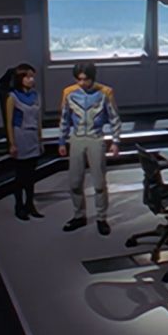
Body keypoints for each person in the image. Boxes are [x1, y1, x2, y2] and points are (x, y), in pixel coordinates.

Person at [58, 62, 121, 235]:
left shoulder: (105, 92)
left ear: (92, 77)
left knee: (99, 183)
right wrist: (62, 141)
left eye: (85, 79)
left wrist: (116, 141)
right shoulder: (69, 93)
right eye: (79, 79)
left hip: (96, 138)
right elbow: (64, 118)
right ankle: (79, 215)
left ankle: (101, 217)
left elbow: (114, 118)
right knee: (75, 182)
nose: (82, 83)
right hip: (77, 139)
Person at [6, 63, 43, 221]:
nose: (31, 79)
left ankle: (30, 204)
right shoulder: (12, 97)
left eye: (32, 76)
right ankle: (19, 206)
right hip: (20, 136)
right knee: (20, 175)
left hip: (33, 136)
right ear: (20, 78)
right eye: (27, 77)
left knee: (31, 175)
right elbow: (9, 122)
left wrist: (40, 140)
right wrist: (12, 143)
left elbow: (38, 119)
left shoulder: (36, 96)